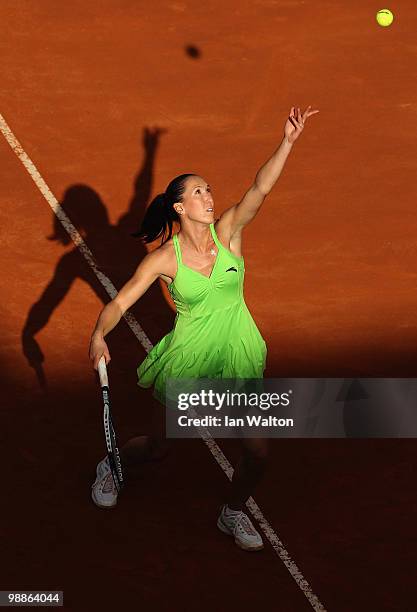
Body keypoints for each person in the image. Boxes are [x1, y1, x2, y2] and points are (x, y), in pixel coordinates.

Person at [89, 106, 319, 551]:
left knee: (257, 452)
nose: (209, 196)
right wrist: (99, 335)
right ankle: (111, 463)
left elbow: (260, 188)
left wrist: (288, 142)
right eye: (198, 192)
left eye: (209, 189)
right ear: (180, 207)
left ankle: (232, 511)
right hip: (191, 358)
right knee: (159, 447)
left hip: (236, 352)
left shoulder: (229, 233)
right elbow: (119, 302)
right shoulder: (164, 259)